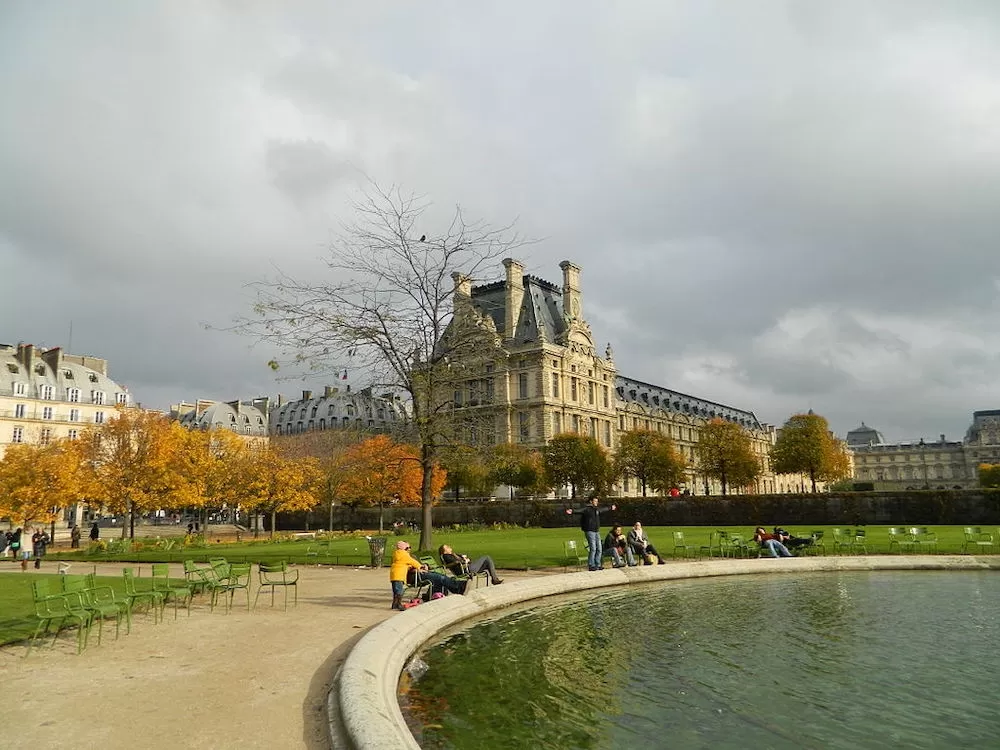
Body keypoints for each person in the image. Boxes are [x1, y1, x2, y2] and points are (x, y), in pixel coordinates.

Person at [389, 540, 466, 611]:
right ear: (403, 549)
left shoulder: (404, 555)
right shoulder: (403, 555)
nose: (409, 549)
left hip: (415, 573)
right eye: (407, 548)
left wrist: (424, 566)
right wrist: (419, 567)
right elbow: (412, 564)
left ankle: (436, 594)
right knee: (439, 577)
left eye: (410, 547)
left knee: (438, 576)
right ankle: (458, 587)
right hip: (414, 576)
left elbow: (410, 564)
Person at [565, 495, 618, 571]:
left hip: (596, 531)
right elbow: (580, 510)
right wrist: (572, 511)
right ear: (591, 501)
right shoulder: (587, 509)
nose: (597, 502)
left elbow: (603, 510)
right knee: (593, 548)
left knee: (599, 548)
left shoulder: (596, 510)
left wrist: (610, 508)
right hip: (590, 531)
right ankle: (591, 565)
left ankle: (598, 564)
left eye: (597, 501)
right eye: (595, 501)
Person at [438, 544, 504, 585]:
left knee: (487, 562)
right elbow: (456, 562)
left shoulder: (453, 554)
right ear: (444, 551)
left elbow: (465, 558)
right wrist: (464, 560)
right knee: (487, 557)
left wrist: (466, 558)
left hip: (468, 567)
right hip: (466, 569)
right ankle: (494, 580)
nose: (449, 546)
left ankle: (494, 579)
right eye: (447, 547)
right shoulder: (446, 556)